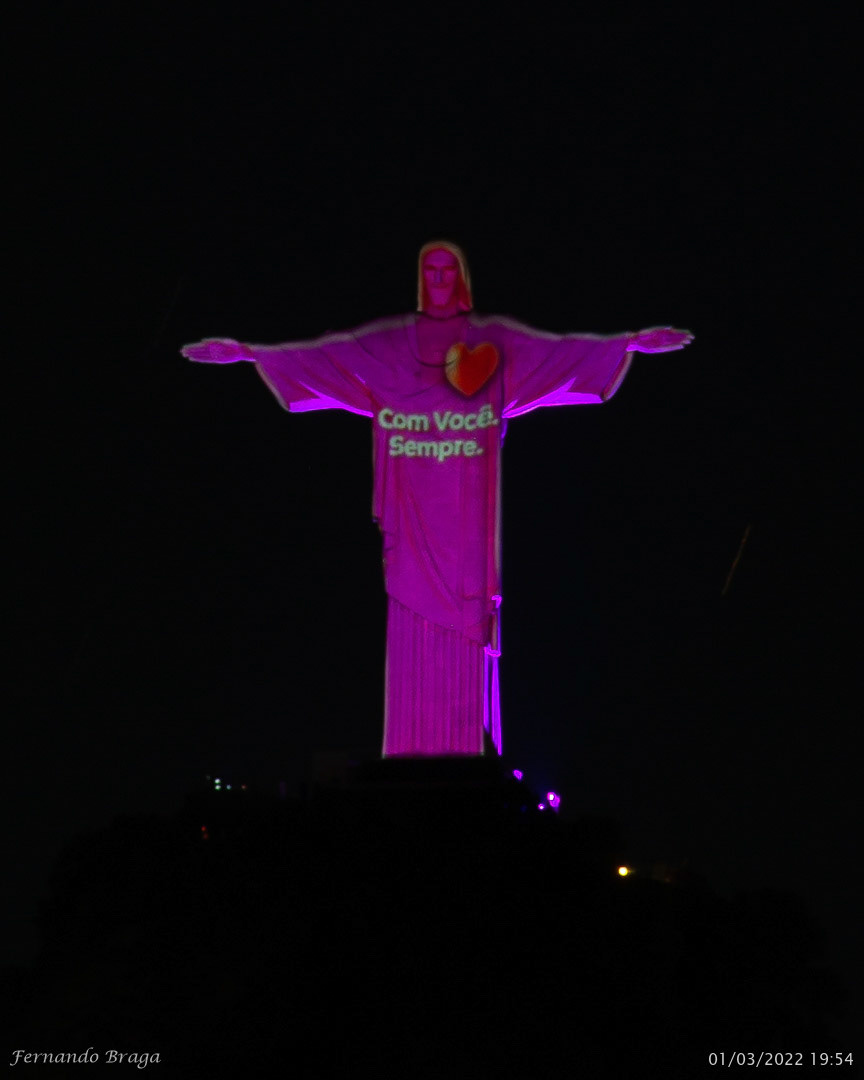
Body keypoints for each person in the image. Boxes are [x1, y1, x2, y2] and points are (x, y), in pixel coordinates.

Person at [182, 241, 692, 756]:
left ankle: (471, 748)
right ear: (422, 278)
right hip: (412, 506)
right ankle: (410, 750)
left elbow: (557, 353)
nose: (441, 277)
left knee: (471, 628)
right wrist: (250, 352)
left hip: (467, 516)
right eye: (431, 269)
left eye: (449, 269)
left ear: (462, 277)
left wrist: (627, 343)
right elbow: (330, 356)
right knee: (410, 617)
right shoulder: (392, 346)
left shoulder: (491, 342)